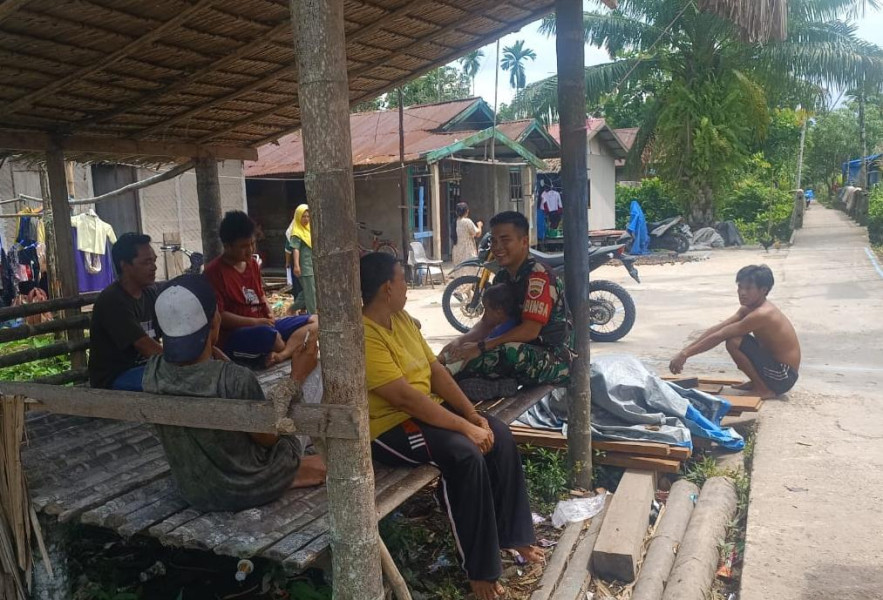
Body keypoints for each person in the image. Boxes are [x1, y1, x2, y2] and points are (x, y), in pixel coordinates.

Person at [360, 252, 541, 600]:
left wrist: (472, 416)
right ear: (387, 288)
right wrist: (464, 429)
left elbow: (435, 372)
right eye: (402, 279)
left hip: (425, 412)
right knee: (464, 454)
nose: (407, 287)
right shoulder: (364, 335)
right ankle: (480, 571)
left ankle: (514, 536)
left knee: (498, 433)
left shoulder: (401, 320)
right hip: (388, 428)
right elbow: (404, 399)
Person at [143, 274, 326, 511]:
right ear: (214, 321)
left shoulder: (153, 371)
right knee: (316, 371)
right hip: (252, 485)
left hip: (194, 489)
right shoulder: (233, 379)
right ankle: (299, 469)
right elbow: (271, 437)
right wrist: (296, 378)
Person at [442, 211, 572, 395]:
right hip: (525, 351)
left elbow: (529, 331)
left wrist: (481, 347)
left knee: (505, 353)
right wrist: (460, 341)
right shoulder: (503, 276)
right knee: (457, 354)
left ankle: (491, 384)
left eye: (505, 240)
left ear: (524, 241)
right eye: (494, 241)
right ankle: (496, 384)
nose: (497, 247)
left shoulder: (538, 276)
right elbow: (488, 322)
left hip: (554, 359)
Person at [669, 265, 800, 398]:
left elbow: (721, 335)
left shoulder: (762, 314)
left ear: (763, 290)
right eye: (740, 287)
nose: (742, 292)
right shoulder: (748, 308)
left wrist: (685, 355)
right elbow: (720, 328)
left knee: (734, 341)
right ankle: (757, 383)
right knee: (734, 338)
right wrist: (683, 352)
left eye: (748, 288)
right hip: (774, 367)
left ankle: (763, 389)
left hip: (784, 376)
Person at [205, 210, 316, 367]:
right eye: (244, 246)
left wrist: (269, 314)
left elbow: (261, 296)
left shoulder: (252, 265)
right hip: (239, 333)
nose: (250, 250)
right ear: (227, 246)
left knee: (316, 321)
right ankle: (288, 347)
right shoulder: (213, 272)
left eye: (252, 244)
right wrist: (255, 322)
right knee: (271, 336)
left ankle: (281, 354)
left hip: (265, 324)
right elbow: (220, 316)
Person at [88, 233, 163, 390]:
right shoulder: (113, 300)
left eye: (154, 261)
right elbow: (144, 345)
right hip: (115, 378)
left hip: (145, 369)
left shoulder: (149, 293)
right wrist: (182, 365)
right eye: (146, 262)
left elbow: (170, 332)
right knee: (173, 382)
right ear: (125, 265)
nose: (154, 267)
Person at [439, 283, 518, 376]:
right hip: (481, 348)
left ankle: (443, 373)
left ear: (499, 311)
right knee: (458, 349)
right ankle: (439, 360)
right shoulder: (500, 324)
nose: (484, 315)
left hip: (487, 355)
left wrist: (475, 346)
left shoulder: (505, 329)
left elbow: (490, 346)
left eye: (487, 310)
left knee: (460, 359)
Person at [288, 204, 317, 314]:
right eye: (303, 216)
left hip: (312, 265)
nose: (306, 219)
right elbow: (295, 249)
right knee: (311, 293)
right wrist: (296, 265)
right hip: (304, 266)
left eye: (308, 216)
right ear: (298, 217)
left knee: (309, 291)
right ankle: (313, 315)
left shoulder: (309, 230)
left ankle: (292, 309)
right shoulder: (297, 232)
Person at [451, 201, 483, 267]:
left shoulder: (456, 222)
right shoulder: (467, 221)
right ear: (467, 211)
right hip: (467, 250)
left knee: (460, 271)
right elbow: (477, 234)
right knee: (469, 270)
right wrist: (479, 225)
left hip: (457, 250)